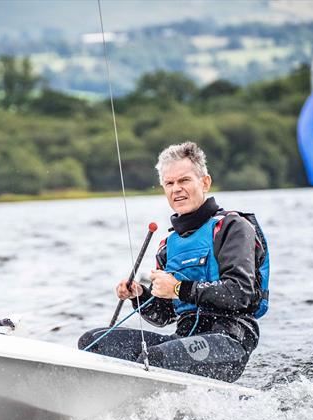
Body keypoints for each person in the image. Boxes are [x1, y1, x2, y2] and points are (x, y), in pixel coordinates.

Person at [78, 141, 266, 383]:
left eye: (184, 180)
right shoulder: (168, 245)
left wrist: (178, 288)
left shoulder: (233, 227)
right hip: (182, 340)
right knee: (92, 342)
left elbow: (240, 294)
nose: (176, 189)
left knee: (155, 359)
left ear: (205, 182)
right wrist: (140, 296)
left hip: (230, 341)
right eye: (169, 183)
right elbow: (164, 316)